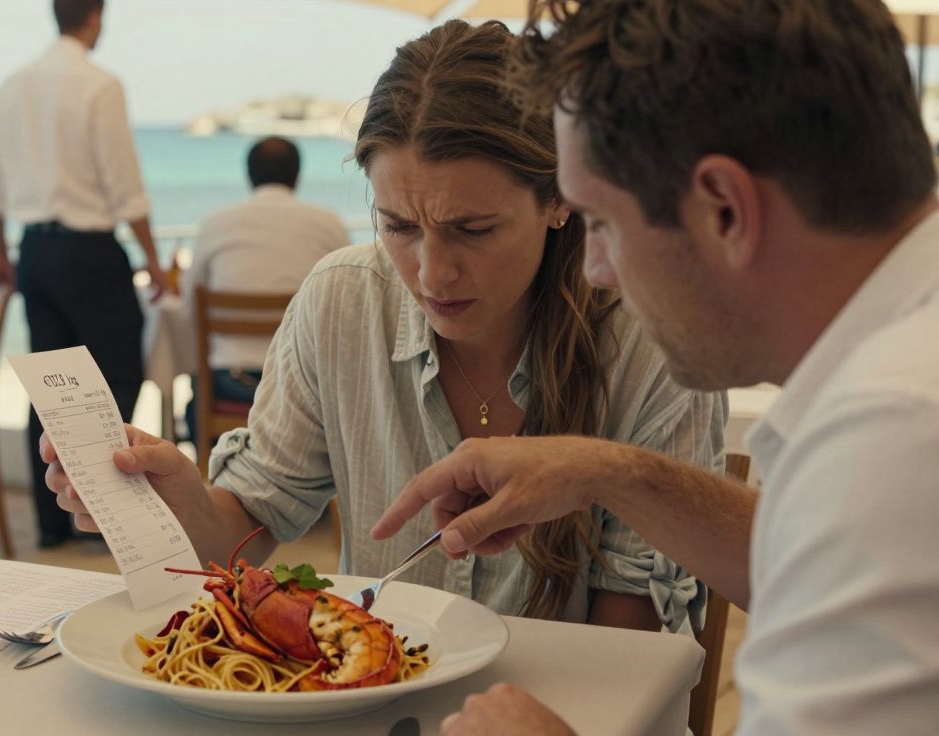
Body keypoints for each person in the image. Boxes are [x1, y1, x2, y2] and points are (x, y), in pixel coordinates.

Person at [44, 20, 727, 632]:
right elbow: (244, 528)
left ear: (557, 199)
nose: (432, 275)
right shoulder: (342, 302)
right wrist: (178, 505)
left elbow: (626, 646)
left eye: (473, 229)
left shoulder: (649, 339)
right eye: (398, 226)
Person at [371, 1, 939, 733]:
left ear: (725, 210)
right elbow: (811, 555)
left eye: (602, 224)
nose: (598, 272)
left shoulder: (892, 440)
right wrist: (607, 472)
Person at [0, 0, 167, 547]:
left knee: (48, 391)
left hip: (34, 252)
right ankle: (97, 516)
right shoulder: (99, 84)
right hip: (89, 253)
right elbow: (124, 183)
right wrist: (154, 259)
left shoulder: (12, 86)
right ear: (95, 17)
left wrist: (0, 255)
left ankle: (51, 523)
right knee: (115, 381)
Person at [180, 136, 350, 447]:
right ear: (298, 175)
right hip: (303, 383)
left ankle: (211, 475)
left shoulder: (216, 223)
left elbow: (190, 305)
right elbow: (348, 302)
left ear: (249, 175)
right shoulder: (328, 224)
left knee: (193, 397)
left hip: (229, 383)